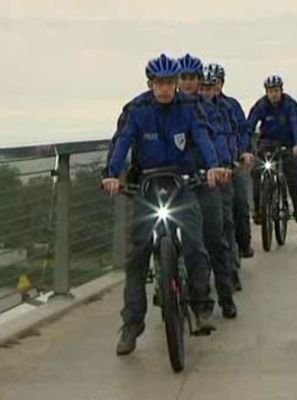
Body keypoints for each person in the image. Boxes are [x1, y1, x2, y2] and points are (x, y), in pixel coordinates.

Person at [102, 54, 220, 355]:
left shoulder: (189, 108)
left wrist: (213, 167)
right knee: (137, 257)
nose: (165, 89)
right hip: (148, 187)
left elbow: (203, 139)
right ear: (150, 84)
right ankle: (132, 324)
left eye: (170, 83)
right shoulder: (138, 110)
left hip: (182, 184)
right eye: (159, 84)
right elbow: (124, 142)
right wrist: (112, 174)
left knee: (195, 244)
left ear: (177, 84)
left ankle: (201, 307)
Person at [178, 54, 242, 312]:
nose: (191, 85)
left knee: (216, 236)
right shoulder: (167, 106)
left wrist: (221, 165)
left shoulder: (212, 109)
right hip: (175, 182)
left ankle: (225, 295)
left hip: (208, 177)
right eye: (185, 79)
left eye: (196, 80)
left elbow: (215, 140)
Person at [248, 75, 297, 244]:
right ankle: (259, 210)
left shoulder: (290, 105)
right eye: (270, 91)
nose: (273, 94)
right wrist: (247, 147)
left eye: (276, 91)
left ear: (281, 90)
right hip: (267, 144)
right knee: (256, 172)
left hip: (287, 145)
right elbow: (249, 125)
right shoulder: (261, 105)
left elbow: (296, 125)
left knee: (295, 183)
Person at [197, 66, 239, 318]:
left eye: (206, 86)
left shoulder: (222, 109)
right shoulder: (179, 109)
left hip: (216, 177)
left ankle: (226, 291)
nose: (202, 91)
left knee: (219, 231)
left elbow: (220, 139)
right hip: (184, 182)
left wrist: (224, 164)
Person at [208, 62, 256, 259]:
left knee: (240, 204)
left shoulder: (231, 106)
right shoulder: (193, 107)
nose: (214, 86)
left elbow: (242, 130)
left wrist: (244, 151)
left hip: (232, 163)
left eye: (217, 82)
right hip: (206, 169)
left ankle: (243, 245)